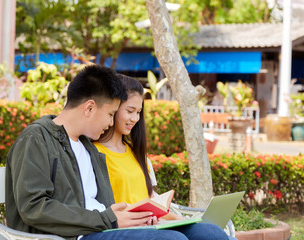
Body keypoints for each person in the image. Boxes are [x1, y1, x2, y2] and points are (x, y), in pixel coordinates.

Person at [5, 65, 159, 240]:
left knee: (192, 233)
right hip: (71, 236)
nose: (110, 123)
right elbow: (33, 207)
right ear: (89, 108)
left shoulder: (87, 147)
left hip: (100, 229)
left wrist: (127, 216)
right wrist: (106, 219)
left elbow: (97, 205)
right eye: (110, 114)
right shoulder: (36, 138)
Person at [93, 74, 236, 240]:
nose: (135, 118)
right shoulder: (95, 153)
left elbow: (150, 199)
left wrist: (179, 219)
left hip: (153, 223)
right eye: (130, 111)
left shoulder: (135, 152)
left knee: (212, 233)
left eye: (138, 112)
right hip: (123, 228)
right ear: (113, 107)